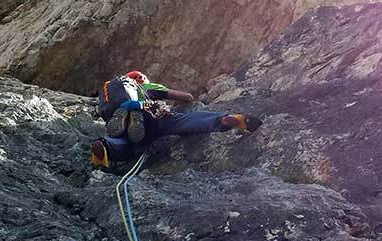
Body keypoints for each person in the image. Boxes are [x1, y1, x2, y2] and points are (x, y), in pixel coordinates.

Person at [90, 70, 262, 169]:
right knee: (180, 121)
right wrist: (169, 101)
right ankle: (225, 120)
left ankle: (106, 147)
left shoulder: (112, 88)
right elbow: (187, 97)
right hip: (149, 115)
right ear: (142, 80)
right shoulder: (147, 87)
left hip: (113, 111)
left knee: (129, 143)